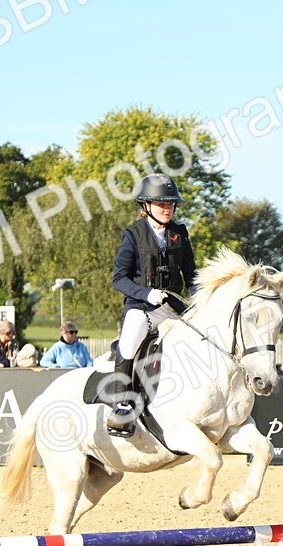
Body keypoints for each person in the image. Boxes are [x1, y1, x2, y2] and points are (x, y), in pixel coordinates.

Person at [107, 173, 197, 436]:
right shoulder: (133, 235)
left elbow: (191, 274)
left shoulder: (179, 233)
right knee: (130, 340)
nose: (167, 208)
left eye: (170, 204)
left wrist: (201, 298)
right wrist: (146, 294)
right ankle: (122, 405)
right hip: (142, 306)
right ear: (146, 206)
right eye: (161, 204)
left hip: (174, 306)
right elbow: (119, 279)